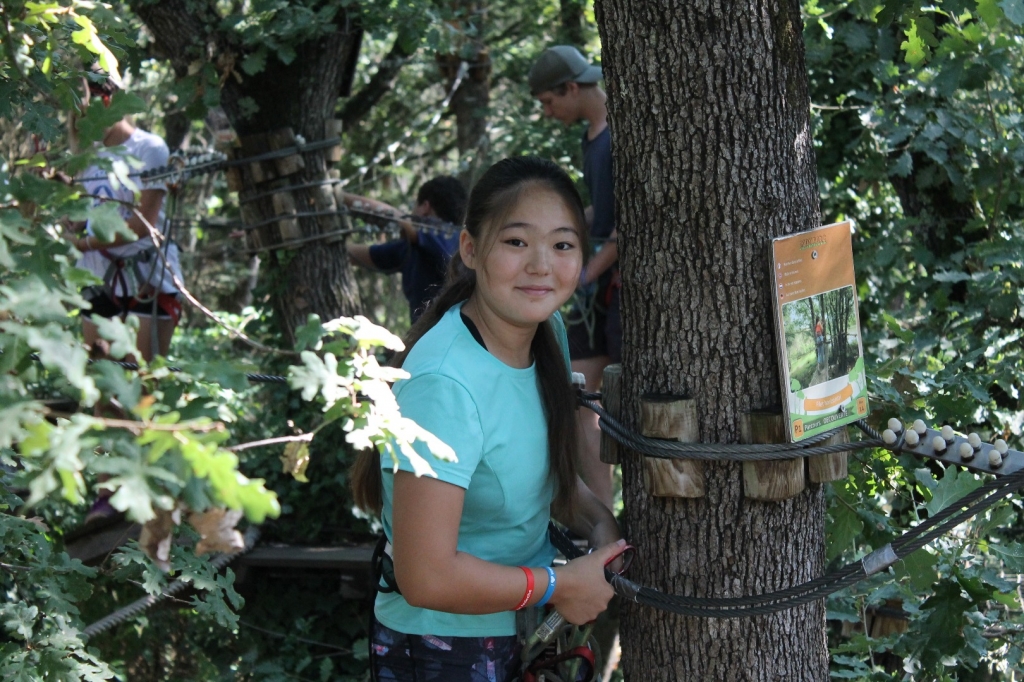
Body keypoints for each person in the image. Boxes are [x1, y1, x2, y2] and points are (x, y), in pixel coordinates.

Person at [350, 156, 624, 680]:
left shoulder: (547, 336)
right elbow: (425, 576)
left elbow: (537, 483)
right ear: (471, 249)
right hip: (440, 645)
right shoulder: (445, 384)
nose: (542, 265)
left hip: (518, 625)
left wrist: (599, 524)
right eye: (517, 242)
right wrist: (560, 585)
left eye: (563, 244)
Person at [529, 45, 619, 509]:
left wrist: (583, 273)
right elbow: (601, 215)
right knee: (580, 402)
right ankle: (601, 519)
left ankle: (606, 515)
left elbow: (630, 225)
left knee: (598, 403)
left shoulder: (617, 137)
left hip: (612, 292)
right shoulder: (591, 137)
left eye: (548, 101)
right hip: (596, 290)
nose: (548, 113)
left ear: (570, 88)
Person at [67, 73, 182, 363]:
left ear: (110, 104)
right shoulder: (87, 157)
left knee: (139, 386)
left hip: (146, 281)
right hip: (99, 279)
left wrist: (81, 245)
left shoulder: (149, 149)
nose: (86, 124)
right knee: (100, 388)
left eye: (90, 113)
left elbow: (142, 225)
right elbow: (81, 218)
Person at [344, 176, 468, 322]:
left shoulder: (451, 237)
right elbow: (353, 254)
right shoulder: (413, 248)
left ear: (425, 207)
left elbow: (398, 219)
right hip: (425, 338)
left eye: (416, 205)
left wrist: (340, 196)